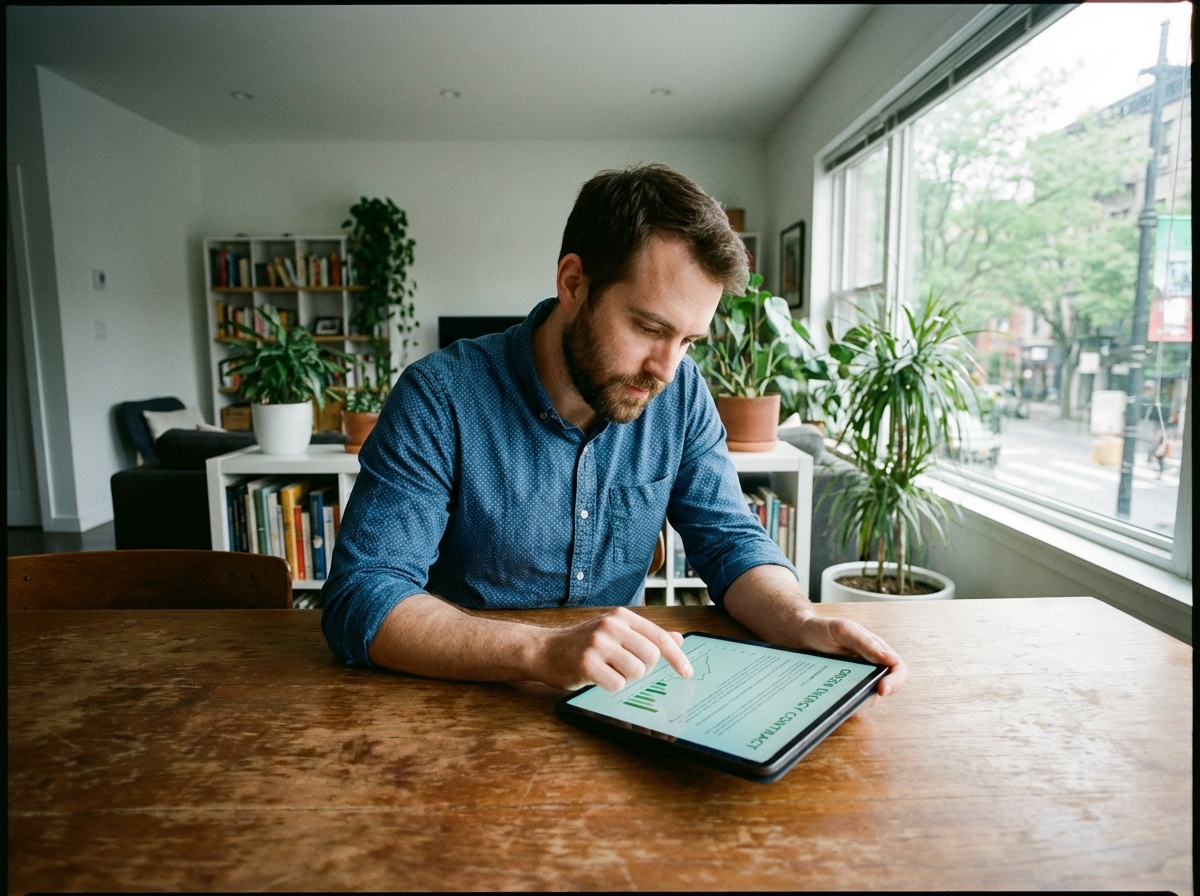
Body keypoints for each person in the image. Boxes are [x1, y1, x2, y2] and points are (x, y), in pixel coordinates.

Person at [322, 164, 907, 700]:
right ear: (574, 283)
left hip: (624, 700)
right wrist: (541, 652)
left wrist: (800, 621)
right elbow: (364, 592)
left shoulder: (680, 393)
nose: (666, 370)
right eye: (649, 328)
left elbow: (730, 540)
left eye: (688, 340)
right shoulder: (439, 395)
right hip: (463, 699)